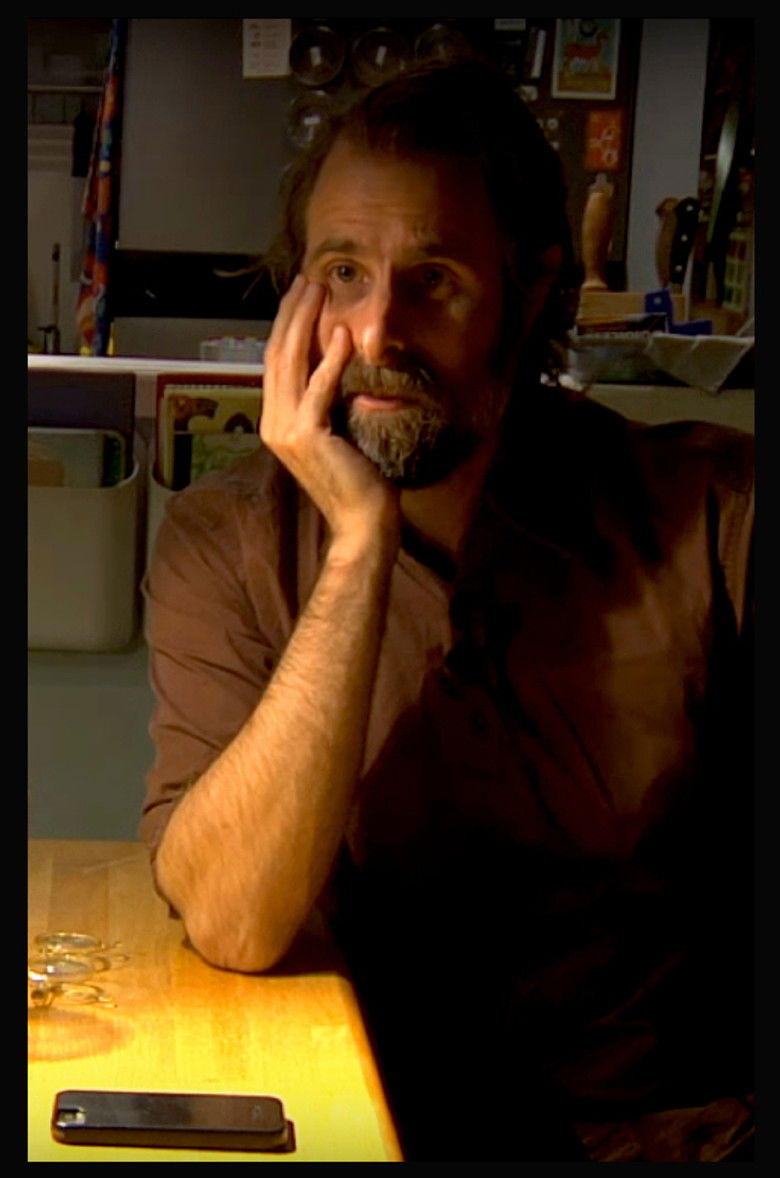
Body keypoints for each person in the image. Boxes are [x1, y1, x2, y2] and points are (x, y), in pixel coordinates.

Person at [142, 61, 754, 1162]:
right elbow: (233, 918)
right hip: (355, 1126)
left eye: (434, 279)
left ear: (532, 289)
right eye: (343, 272)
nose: (377, 332)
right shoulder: (223, 544)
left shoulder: (713, 514)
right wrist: (359, 548)